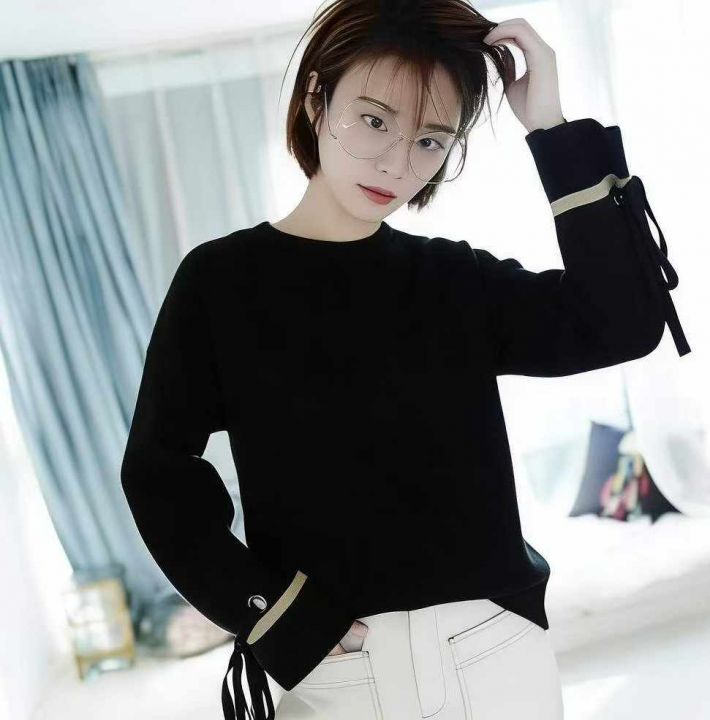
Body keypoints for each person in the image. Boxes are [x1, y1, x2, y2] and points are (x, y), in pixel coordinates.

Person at [120, 1, 690, 719]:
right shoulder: (220, 283)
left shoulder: (452, 278)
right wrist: (271, 611)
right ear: (317, 99)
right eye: (374, 120)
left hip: (493, 649)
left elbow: (622, 324)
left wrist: (550, 127)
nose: (398, 163)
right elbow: (159, 473)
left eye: (430, 140)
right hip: (335, 666)